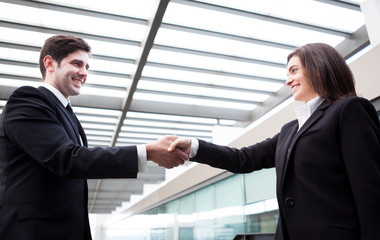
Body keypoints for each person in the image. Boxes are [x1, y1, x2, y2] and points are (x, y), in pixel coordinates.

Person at [169, 43, 380, 240]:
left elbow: (370, 190)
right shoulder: (290, 130)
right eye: (287, 74)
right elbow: (243, 159)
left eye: (294, 71)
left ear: (318, 68)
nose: (288, 80)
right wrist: (194, 146)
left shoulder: (350, 110)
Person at [0, 35, 188, 240]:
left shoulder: (65, 112)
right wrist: (147, 152)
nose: (84, 73)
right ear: (50, 63)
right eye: (77, 63)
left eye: (87, 67)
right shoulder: (28, 99)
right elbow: (68, 158)